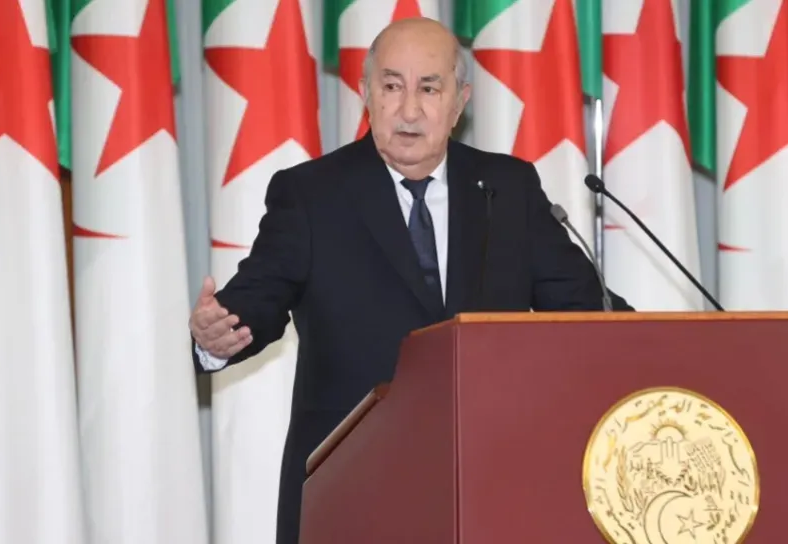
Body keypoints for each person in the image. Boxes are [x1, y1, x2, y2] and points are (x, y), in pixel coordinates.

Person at [189, 16, 632, 544]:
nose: (409, 110)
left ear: (459, 102)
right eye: (392, 86)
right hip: (352, 484)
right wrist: (217, 334)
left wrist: (657, 344)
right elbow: (258, 296)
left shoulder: (507, 188)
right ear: (366, 93)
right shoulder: (312, 194)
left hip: (488, 484)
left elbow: (588, 310)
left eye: (429, 88)